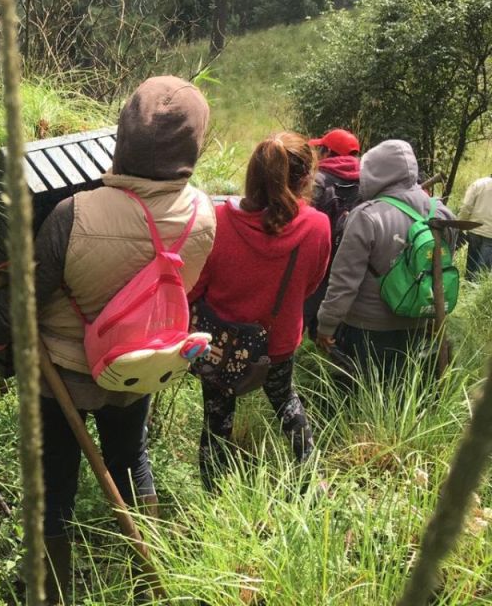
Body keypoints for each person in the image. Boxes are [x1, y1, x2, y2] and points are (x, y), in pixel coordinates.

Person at [0, 76, 216, 603]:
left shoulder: (75, 215)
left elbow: (23, 304)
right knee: (131, 459)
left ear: (124, 138)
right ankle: (150, 572)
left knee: (55, 481)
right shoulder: (202, 215)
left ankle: (51, 591)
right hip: (140, 366)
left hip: (65, 379)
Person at [188, 132, 330, 491]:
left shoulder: (219, 219)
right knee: (286, 402)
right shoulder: (317, 226)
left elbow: (197, 286)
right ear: (305, 178)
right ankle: (313, 482)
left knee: (216, 420)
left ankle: (213, 496)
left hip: (221, 343)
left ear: (252, 174)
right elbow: (311, 285)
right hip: (277, 341)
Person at [315, 140, 455, 389]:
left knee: (358, 396)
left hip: (366, 329)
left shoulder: (367, 215)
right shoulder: (441, 213)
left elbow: (344, 282)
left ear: (374, 172)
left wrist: (326, 325)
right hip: (419, 322)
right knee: (403, 392)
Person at [303, 129, 362, 339]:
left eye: (321, 149)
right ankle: (324, 346)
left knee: (305, 302)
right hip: (349, 255)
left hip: (315, 254)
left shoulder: (317, 179)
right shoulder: (366, 181)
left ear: (328, 152)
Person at [459, 173, 492, 279]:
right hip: (490, 235)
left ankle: (466, 286)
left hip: (474, 230)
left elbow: (466, 206)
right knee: (482, 272)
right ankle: (477, 294)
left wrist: (460, 225)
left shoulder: (478, 184)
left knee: (471, 266)